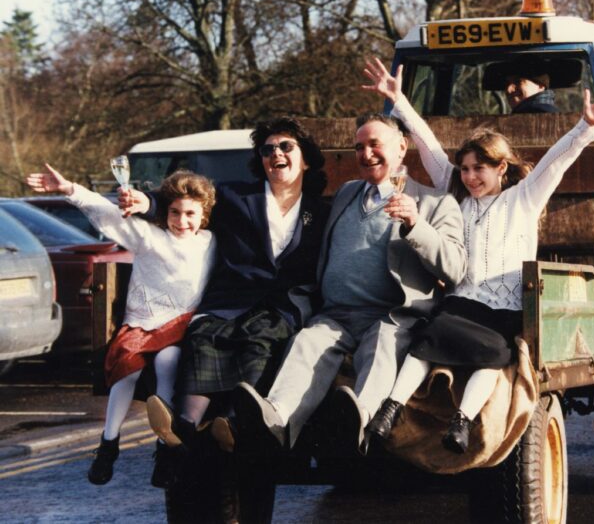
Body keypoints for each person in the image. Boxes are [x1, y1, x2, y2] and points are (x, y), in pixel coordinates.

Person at [360, 57, 594, 453]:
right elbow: (429, 145)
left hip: (503, 308)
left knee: (494, 356)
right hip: (460, 301)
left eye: (479, 168)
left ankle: (462, 422)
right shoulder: (458, 198)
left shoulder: (523, 198)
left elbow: (557, 161)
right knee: (426, 343)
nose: (469, 176)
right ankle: (390, 408)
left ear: (502, 168)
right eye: (464, 169)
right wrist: (399, 101)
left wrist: (587, 126)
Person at [231, 112, 467, 457]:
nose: (366, 154)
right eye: (359, 147)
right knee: (306, 342)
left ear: (401, 147)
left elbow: (456, 267)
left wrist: (416, 224)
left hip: (391, 315)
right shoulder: (346, 194)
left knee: (383, 346)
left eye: (375, 144)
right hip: (336, 314)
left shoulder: (434, 203)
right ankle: (277, 420)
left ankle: (360, 420)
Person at [119, 118, 330, 487]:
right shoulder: (235, 196)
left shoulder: (321, 211)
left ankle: (230, 424)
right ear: (260, 160)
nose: (275, 154)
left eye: (285, 147)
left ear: (305, 160)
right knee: (203, 337)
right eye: (267, 149)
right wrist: (147, 201)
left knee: (260, 345)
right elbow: (186, 207)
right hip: (229, 298)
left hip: (281, 306)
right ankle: (179, 432)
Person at [25, 166, 217, 484]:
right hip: (143, 324)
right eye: (175, 212)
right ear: (165, 212)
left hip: (180, 325)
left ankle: (164, 448)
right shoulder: (149, 237)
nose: (182, 221)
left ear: (203, 215)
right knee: (128, 368)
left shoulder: (210, 242)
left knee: (170, 361)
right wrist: (70, 188)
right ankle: (108, 443)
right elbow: (106, 214)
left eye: (190, 214)